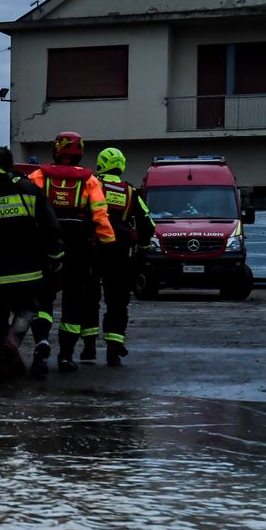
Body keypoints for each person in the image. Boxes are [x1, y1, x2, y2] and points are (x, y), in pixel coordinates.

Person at [0, 146, 64, 377]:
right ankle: (12, 341)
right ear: (12, 164)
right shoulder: (30, 190)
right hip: (28, 270)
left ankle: (3, 362)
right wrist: (55, 255)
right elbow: (51, 226)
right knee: (28, 309)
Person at [27, 131, 115, 376]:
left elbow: (28, 211)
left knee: (43, 299)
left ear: (56, 150)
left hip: (46, 245)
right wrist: (108, 244)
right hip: (80, 248)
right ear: (81, 153)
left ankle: (41, 341)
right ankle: (66, 356)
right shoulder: (91, 181)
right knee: (74, 303)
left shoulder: (37, 176)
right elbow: (100, 216)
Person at [84, 147, 155, 366]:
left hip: (93, 251)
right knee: (117, 302)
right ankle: (113, 348)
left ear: (100, 164)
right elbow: (148, 224)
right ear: (121, 165)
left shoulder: (91, 185)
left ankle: (89, 348)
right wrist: (142, 250)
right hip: (120, 255)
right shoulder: (130, 191)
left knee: (89, 299)